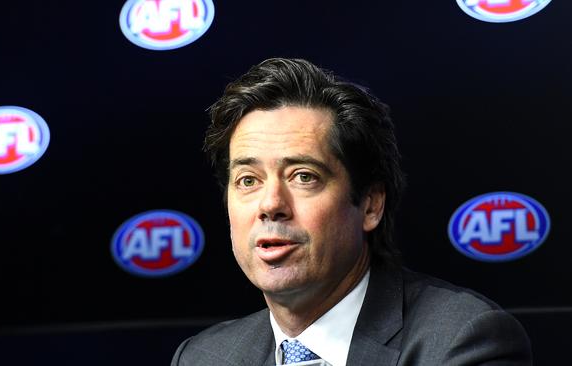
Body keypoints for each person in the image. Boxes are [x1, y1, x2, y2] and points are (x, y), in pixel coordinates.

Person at [171, 58, 532, 365]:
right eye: (248, 180)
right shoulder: (203, 357)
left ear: (371, 204)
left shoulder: (462, 341)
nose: (270, 205)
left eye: (303, 176)